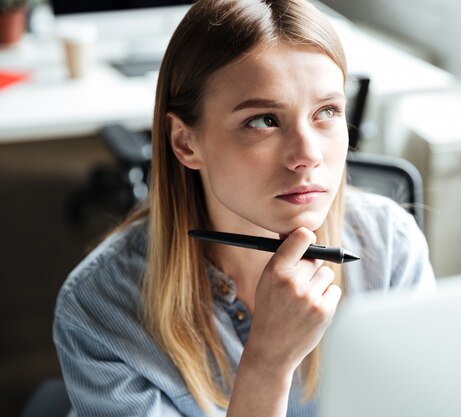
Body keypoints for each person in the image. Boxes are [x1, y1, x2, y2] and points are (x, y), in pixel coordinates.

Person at [53, 0, 436, 416]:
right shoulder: (98, 306)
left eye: (327, 111)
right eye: (263, 120)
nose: (307, 155)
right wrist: (268, 364)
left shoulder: (389, 246)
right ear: (186, 142)